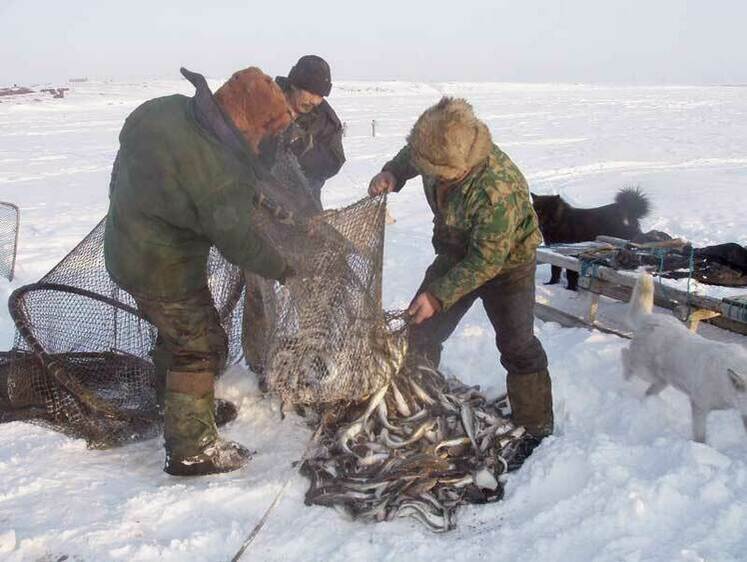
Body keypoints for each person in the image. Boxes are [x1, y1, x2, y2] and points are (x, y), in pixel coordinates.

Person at [105, 66, 295, 476]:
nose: (267, 139)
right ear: (251, 122)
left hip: (123, 246)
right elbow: (238, 243)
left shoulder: (163, 110)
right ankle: (192, 447)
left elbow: (128, 140)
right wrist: (283, 267)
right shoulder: (219, 175)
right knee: (199, 346)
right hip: (162, 269)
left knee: (174, 331)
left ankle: (172, 403)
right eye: (267, 130)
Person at [368, 97, 553, 451]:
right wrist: (392, 173)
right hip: (456, 250)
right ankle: (418, 405)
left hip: (507, 263)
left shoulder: (498, 189)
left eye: (433, 169)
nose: (428, 172)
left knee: (517, 345)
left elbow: (486, 260)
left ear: (456, 167)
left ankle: (536, 427)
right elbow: (411, 157)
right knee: (419, 331)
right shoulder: (434, 147)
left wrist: (438, 296)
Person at [274, 55, 345, 207]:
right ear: (294, 85)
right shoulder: (265, 98)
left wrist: (301, 145)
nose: (315, 100)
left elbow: (335, 160)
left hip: (302, 205)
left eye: (320, 96)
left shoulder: (326, 119)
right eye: (311, 92)